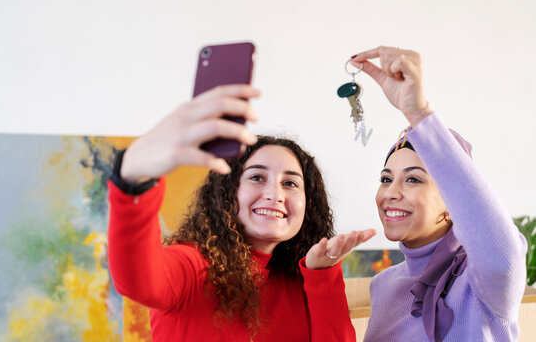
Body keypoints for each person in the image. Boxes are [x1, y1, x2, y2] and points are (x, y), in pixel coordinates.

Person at [107, 85, 376, 341]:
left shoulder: (305, 280)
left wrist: (323, 275)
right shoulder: (193, 266)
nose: (275, 194)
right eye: (257, 177)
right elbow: (138, 281)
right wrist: (134, 180)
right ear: (228, 192)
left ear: (309, 204)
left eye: (290, 183)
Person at [349, 47, 527, 341]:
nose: (391, 192)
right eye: (386, 178)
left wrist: (418, 114)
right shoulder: (382, 284)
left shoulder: (480, 280)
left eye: (414, 180)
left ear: (452, 200)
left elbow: (501, 252)